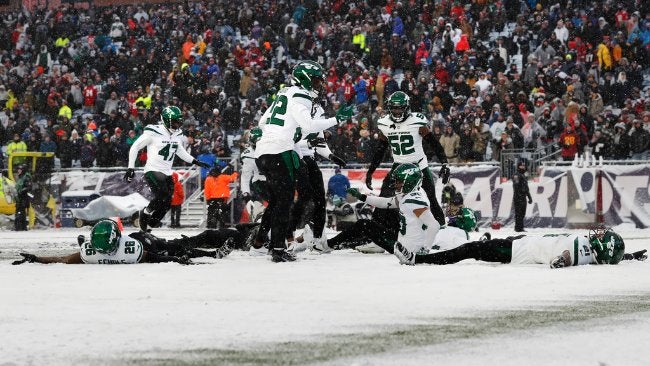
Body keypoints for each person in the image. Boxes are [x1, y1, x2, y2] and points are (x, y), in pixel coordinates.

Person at [253, 60, 349, 262]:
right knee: (286, 200)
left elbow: (262, 123)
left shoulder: (284, 93)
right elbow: (310, 124)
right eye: (315, 81)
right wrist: (336, 119)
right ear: (304, 79)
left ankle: (265, 239)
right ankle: (278, 247)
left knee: (281, 199)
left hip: (263, 151)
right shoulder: (301, 94)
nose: (318, 85)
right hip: (280, 151)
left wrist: (290, 130)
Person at [365, 91, 449, 236]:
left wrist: (445, 163)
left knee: (431, 199)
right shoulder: (385, 123)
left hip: (419, 166)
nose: (397, 112)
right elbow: (381, 149)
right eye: (394, 108)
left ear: (407, 107)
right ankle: (377, 234)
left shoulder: (417, 122)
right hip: (398, 165)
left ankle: (442, 232)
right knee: (384, 199)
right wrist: (370, 171)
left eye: (400, 108)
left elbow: (433, 143)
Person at [124, 106, 210, 231]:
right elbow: (135, 147)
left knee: (168, 201)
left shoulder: (177, 134)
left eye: (178, 121)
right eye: (174, 121)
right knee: (162, 195)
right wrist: (130, 168)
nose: (177, 124)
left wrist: (195, 161)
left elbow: (180, 151)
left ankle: (151, 224)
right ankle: (145, 213)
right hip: (152, 170)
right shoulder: (153, 131)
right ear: (165, 120)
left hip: (167, 172)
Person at [12, 219, 246, 265]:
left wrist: (175, 259)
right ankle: (215, 252)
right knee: (177, 250)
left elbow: (154, 256)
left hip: (146, 242)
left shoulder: (126, 249)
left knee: (176, 247)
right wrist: (37, 259)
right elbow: (62, 259)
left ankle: (226, 240)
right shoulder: (94, 251)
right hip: (144, 246)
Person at [395, 226, 647, 268]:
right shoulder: (593, 255)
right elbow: (604, 256)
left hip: (519, 251)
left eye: (603, 235)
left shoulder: (583, 247)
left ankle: (418, 260)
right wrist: (630, 256)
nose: (598, 233)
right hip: (525, 242)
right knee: (476, 246)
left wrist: (561, 262)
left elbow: (568, 255)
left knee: (469, 249)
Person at [341, 163, 440, 255]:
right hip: (404, 242)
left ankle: (333, 244)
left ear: (410, 181)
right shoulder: (411, 194)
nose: (396, 184)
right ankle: (341, 244)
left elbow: (434, 225)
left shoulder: (413, 200)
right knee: (371, 223)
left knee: (363, 225)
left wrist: (425, 250)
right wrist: (362, 197)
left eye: (399, 181)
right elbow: (385, 203)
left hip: (406, 248)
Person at [204, 164, 239, 229]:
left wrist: (208, 199)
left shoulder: (208, 179)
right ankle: (222, 226)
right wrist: (235, 173)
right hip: (222, 198)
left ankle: (211, 226)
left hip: (211, 199)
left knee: (211, 213)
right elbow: (232, 178)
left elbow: (207, 190)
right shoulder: (223, 177)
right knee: (222, 213)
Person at [512, 160, 533, 232]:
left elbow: (526, 188)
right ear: (518, 166)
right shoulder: (516, 175)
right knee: (518, 213)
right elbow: (516, 186)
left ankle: (520, 227)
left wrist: (529, 197)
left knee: (522, 213)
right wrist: (520, 195)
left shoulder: (523, 175)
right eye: (521, 165)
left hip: (523, 197)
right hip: (518, 197)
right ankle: (518, 228)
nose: (523, 167)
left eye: (524, 166)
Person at [14, 164, 32, 231]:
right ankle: (19, 227)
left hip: (24, 198)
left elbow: (29, 187)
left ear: (23, 170)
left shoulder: (26, 177)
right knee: (19, 212)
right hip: (19, 198)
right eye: (18, 169)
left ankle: (21, 227)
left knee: (21, 213)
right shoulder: (20, 177)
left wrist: (21, 191)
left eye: (20, 169)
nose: (18, 171)